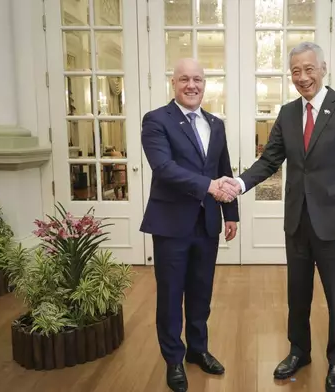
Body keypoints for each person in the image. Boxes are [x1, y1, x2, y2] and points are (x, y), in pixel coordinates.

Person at [223, 42, 335, 392]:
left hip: (334, 223)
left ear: (323, 68)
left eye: (308, 69)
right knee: (297, 293)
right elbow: (270, 160)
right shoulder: (287, 113)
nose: (303, 78)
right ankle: (299, 351)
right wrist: (239, 183)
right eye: (296, 71)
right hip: (297, 221)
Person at [140, 58, 239, 392]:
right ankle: (173, 360)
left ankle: (198, 350)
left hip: (207, 222)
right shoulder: (156, 120)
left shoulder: (216, 123)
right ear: (173, 83)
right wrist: (208, 186)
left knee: (201, 292)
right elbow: (164, 168)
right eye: (184, 79)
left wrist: (232, 214)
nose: (192, 85)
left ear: (205, 83)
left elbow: (224, 168)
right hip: (171, 224)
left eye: (197, 79)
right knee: (170, 295)